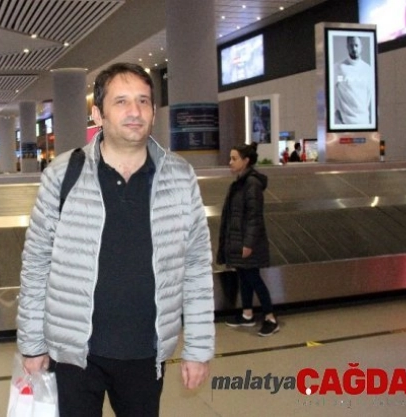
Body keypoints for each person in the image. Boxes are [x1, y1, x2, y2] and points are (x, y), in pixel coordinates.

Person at [16, 63, 215, 417]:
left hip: (145, 353)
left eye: (143, 101)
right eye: (121, 101)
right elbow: (36, 263)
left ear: (154, 111)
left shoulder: (179, 176)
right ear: (98, 114)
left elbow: (197, 266)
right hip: (73, 354)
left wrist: (198, 347)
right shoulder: (63, 174)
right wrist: (32, 344)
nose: (134, 111)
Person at [218, 143, 279, 337]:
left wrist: (248, 244)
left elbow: (254, 216)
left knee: (253, 278)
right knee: (244, 276)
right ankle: (247, 314)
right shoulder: (240, 182)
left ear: (246, 161)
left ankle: (270, 318)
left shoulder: (251, 184)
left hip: (248, 242)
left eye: (234, 158)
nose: (230, 162)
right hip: (239, 240)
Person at [333, 36, 373, 125]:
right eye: (351, 46)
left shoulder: (368, 69)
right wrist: (336, 112)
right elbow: (329, 92)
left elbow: (369, 94)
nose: (354, 49)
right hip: (345, 123)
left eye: (356, 45)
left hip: (364, 122)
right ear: (347, 47)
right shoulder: (339, 67)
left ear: (361, 46)